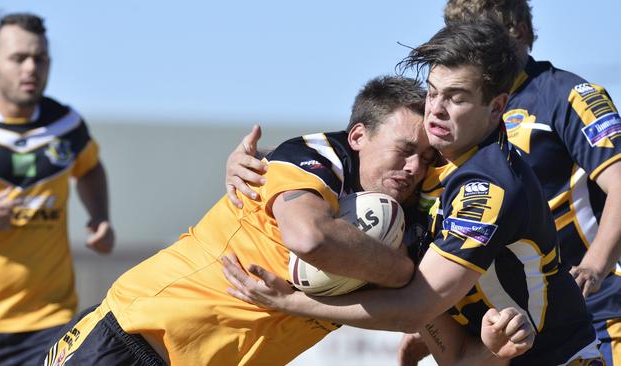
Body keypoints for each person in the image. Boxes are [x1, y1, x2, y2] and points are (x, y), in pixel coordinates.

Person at [40, 75, 530, 366]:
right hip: (129, 342)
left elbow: (459, 355)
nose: (414, 169)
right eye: (404, 151)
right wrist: (403, 275)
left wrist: (496, 348)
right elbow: (310, 237)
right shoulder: (312, 157)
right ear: (357, 135)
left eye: (426, 158)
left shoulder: (406, 228)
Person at [222, 18, 604, 365]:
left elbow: (414, 308)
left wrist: (296, 303)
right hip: (474, 353)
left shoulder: (486, 188)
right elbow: (356, 150)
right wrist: (261, 161)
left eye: (456, 97)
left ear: (496, 107)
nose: (436, 109)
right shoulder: (428, 159)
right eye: (433, 92)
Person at [438, 1, 621, 364]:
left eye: (481, 39)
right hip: (518, 322)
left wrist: (593, 269)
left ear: (517, 31)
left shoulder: (569, 96)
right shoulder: (464, 110)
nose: (470, 50)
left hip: (598, 312)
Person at [0, 13, 114, 365]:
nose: (31, 68)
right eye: (19, 58)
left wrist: (100, 217)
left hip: (49, 320)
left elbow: (90, 168)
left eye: (40, 58)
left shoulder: (65, 124)